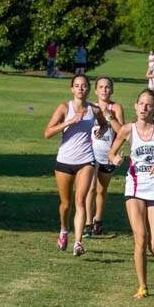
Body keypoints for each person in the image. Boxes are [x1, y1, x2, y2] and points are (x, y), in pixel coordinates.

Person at [107, 88, 154, 298]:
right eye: (141, 103)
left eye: (149, 105)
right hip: (134, 187)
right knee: (139, 238)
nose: (144, 108)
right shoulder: (126, 130)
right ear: (135, 106)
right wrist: (115, 159)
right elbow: (111, 152)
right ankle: (142, 286)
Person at [43, 74, 108, 256]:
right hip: (64, 161)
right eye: (77, 86)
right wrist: (70, 121)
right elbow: (47, 132)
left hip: (86, 160)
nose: (81, 89)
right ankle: (64, 230)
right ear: (72, 89)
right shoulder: (64, 108)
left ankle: (78, 243)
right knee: (66, 204)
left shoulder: (94, 110)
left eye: (84, 86)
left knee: (80, 201)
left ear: (88, 89)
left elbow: (104, 125)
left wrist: (100, 132)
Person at [85, 76, 125, 237]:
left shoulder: (116, 108)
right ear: (95, 90)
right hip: (90, 152)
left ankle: (98, 221)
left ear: (112, 90)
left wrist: (109, 117)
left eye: (107, 87)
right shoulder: (90, 107)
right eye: (100, 87)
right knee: (91, 187)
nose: (104, 90)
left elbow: (122, 132)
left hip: (108, 154)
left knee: (102, 189)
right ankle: (88, 223)